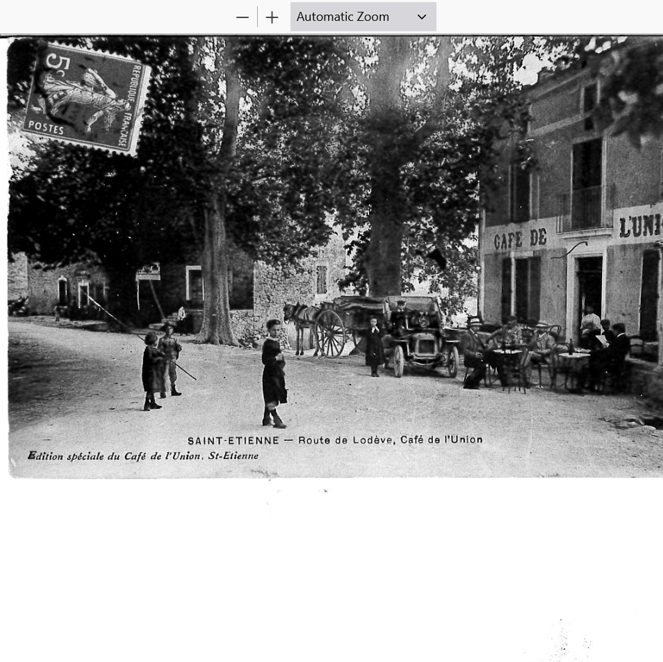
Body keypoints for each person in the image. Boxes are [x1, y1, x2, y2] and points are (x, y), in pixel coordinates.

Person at [585, 322, 630, 391]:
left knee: (592, 365)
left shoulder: (620, 339)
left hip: (613, 363)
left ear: (617, 330)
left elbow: (612, 352)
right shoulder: (623, 338)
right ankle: (591, 384)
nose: (613, 332)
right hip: (617, 361)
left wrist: (603, 349)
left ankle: (590, 385)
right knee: (593, 363)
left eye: (614, 331)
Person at [262, 319, 288, 429]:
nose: (276, 332)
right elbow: (264, 360)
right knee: (270, 395)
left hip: (277, 373)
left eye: (278, 330)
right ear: (269, 330)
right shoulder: (267, 344)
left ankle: (266, 418)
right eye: (274, 330)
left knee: (274, 394)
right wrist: (275, 358)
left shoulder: (276, 342)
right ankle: (276, 419)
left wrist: (281, 362)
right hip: (270, 373)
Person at [522, 321, 556, 387]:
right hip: (534, 356)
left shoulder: (549, 337)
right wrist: (534, 338)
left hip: (544, 356)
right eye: (538, 327)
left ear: (546, 329)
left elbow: (551, 349)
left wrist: (542, 352)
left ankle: (521, 366)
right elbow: (529, 346)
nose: (539, 329)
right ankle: (527, 381)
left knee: (529, 355)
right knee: (529, 357)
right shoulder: (535, 336)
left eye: (542, 328)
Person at [460, 317, 488, 389]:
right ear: (471, 327)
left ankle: (474, 381)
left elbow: (480, 346)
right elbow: (464, 350)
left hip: (477, 357)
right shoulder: (467, 335)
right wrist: (474, 355)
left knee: (486, 363)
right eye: (476, 326)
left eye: (478, 326)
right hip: (470, 359)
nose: (478, 328)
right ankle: (470, 382)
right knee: (481, 366)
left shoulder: (476, 335)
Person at [158, 322, 183, 398]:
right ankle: (162, 391)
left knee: (173, 374)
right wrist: (163, 354)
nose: (169, 330)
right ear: (165, 330)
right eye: (168, 329)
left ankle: (173, 389)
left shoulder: (174, 339)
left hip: (173, 358)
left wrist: (179, 348)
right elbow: (160, 350)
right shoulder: (162, 339)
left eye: (171, 329)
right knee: (164, 375)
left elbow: (178, 347)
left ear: (172, 330)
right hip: (165, 359)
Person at [142, 331, 164, 411]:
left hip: (153, 371)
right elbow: (151, 360)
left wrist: (161, 354)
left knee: (152, 387)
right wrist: (159, 358)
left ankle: (153, 403)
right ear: (153, 340)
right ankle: (147, 404)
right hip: (149, 372)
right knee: (150, 388)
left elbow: (158, 354)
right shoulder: (148, 349)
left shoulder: (153, 349)